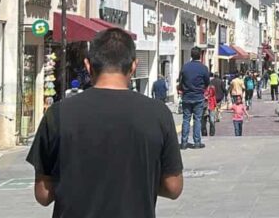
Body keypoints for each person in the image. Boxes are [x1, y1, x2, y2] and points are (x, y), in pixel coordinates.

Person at [27, 28, 183, 217]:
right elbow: (173, 187)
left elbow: (43, 194)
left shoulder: (57, 114)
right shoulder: (158, 113)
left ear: (88, 65)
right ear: (134, 66)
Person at [177, 46, 211, 149]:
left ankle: (184, 142)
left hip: (186, 96)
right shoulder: (203, 68)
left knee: (186, 119)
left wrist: (183, 89)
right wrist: (202, 88)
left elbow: (180, 80)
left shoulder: (185, 67)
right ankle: (197, 142)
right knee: (197, 119)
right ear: (200, 55)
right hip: (198, 96)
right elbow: (207, 82)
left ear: (191, 55)